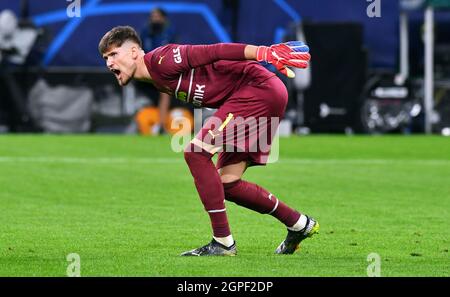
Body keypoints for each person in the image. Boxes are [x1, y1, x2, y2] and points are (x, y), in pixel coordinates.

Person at [98, 26, 319, 256]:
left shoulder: (162, 60)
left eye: (114, 54)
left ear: (134, 52)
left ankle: (223, 243)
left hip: (257, 89)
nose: (109, 63)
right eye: (105, 58)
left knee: (195, 153)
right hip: (260, 93)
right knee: (227, 184)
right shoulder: (154, 79)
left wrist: (263, 52)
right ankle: (299, 224)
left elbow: (216, 51)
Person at [137, 8, 177, 134]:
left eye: (157, 16)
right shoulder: (145, 32)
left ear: (163, 18)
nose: (155, 19)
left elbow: (172, 54)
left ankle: (161, 125)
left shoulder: (169, 33)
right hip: (146, 70)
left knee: (164, 92)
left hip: (163, 71)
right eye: (153, 16)